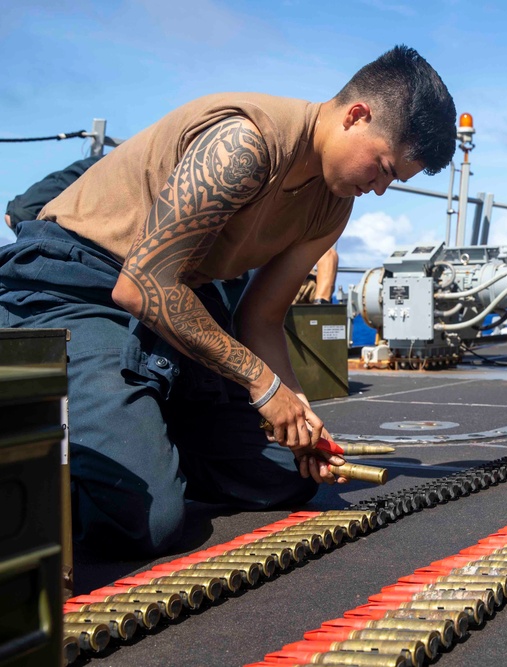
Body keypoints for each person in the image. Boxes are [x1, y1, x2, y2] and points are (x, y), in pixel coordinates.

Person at [0, 45, 456, 555]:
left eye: (394, 180)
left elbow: (262, 317)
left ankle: (143, 438)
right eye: (384, 168)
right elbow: (142, 285)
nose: (380, 188)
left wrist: (298, 412)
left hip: (174, 307)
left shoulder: (334, 202)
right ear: (356, 116)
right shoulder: (245, 141)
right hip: (79, 287)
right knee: (144, 522)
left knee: (292, 479)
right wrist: (264, 386)